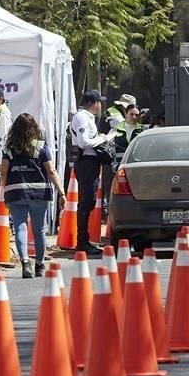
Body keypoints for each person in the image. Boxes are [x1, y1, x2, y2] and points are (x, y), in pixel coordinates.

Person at [0, 114, 67, 277]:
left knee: (20, 227)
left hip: (15, 192)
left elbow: (3, 173)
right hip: (39, 192)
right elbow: (51, 171)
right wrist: (61, 193)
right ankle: (40, 264)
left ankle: (25, 262)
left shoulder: (9, 148)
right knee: (39, 230)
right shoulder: (41, 147)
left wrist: (4, 192)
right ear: (33, 129)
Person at [70, 90, 111, 256]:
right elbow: (84, 142)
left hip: (91, 163)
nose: (100, 105)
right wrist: (103, 139)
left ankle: (84, 241)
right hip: (86, 163)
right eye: (99, 102)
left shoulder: (88, 118)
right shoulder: (82, 117)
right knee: (86, 202)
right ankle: (82, 242)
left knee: (89, 201)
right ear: (93, 103)